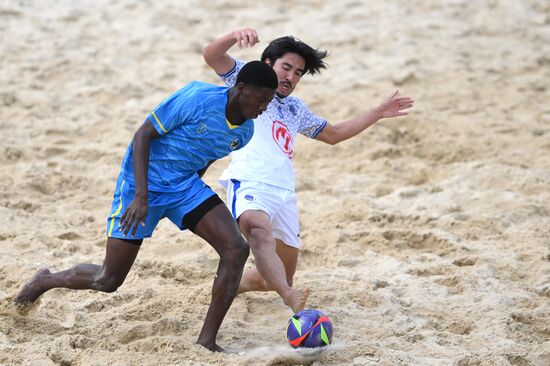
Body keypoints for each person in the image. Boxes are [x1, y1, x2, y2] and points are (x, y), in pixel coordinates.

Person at [14, 61, 279, 352]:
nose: (264, 107)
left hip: (183, 187)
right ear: (240, 89)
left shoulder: (244, 133)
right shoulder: (197, 97)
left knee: (236, 249)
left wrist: (190, 198)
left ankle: (207, 341)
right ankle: (45, 281)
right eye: (261, 99)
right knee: (108, 279)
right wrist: (141, 196)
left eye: (269, 101)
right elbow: (142, 135)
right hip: (141, 184)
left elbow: (205, 157)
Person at [203, 28, 414, 313]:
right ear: (268, 64)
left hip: (284, 193)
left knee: (277, 277)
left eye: (298, 73)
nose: (290, 77)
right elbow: (212, 55)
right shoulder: (247, 79)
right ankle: (288, 296)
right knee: (257, 230)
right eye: (286, 67)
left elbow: (334, 134)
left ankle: (236, 282)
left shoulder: (295, 109)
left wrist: (376, 113)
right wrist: (234, 35)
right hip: (250, 181)